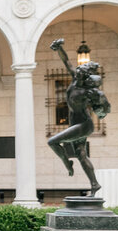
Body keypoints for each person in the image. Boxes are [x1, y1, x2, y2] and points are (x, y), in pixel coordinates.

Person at [47, 38, 112, 194]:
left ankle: (67, 162)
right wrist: (59, 49)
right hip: (74, 123)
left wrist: (101, 108)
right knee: (82, 155)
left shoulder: (89, 92)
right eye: (79, 70)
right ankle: (95, 184)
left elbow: (105, 109)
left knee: (52, 141)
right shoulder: (75, 78)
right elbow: (67, 62)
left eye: (82, 72)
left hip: (83, 125)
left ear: (87, 77)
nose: (78, 72)